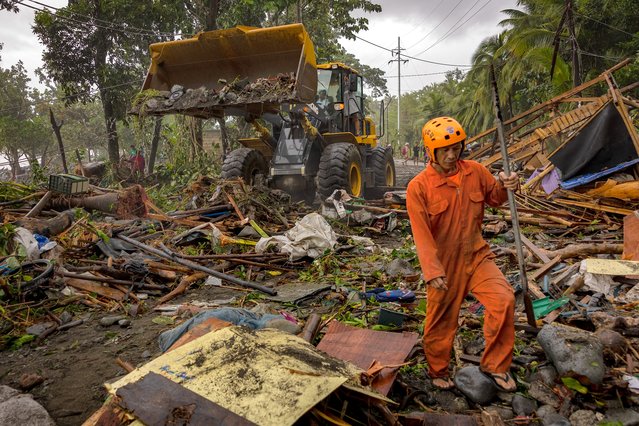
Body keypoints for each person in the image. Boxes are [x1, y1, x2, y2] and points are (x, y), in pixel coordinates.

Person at [406, 116, 519, 392]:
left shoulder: (475, 172)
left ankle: (495, 365)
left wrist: (506, 184)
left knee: (503, 299)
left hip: (478, 256)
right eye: (444, 150)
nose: (451, 154)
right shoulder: (419, 187)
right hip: (445, 264)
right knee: (441, 319)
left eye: (456, 147)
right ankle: (438, 369)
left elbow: (495, 196)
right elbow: (422, 236)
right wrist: (432, 271)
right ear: (430, 151)